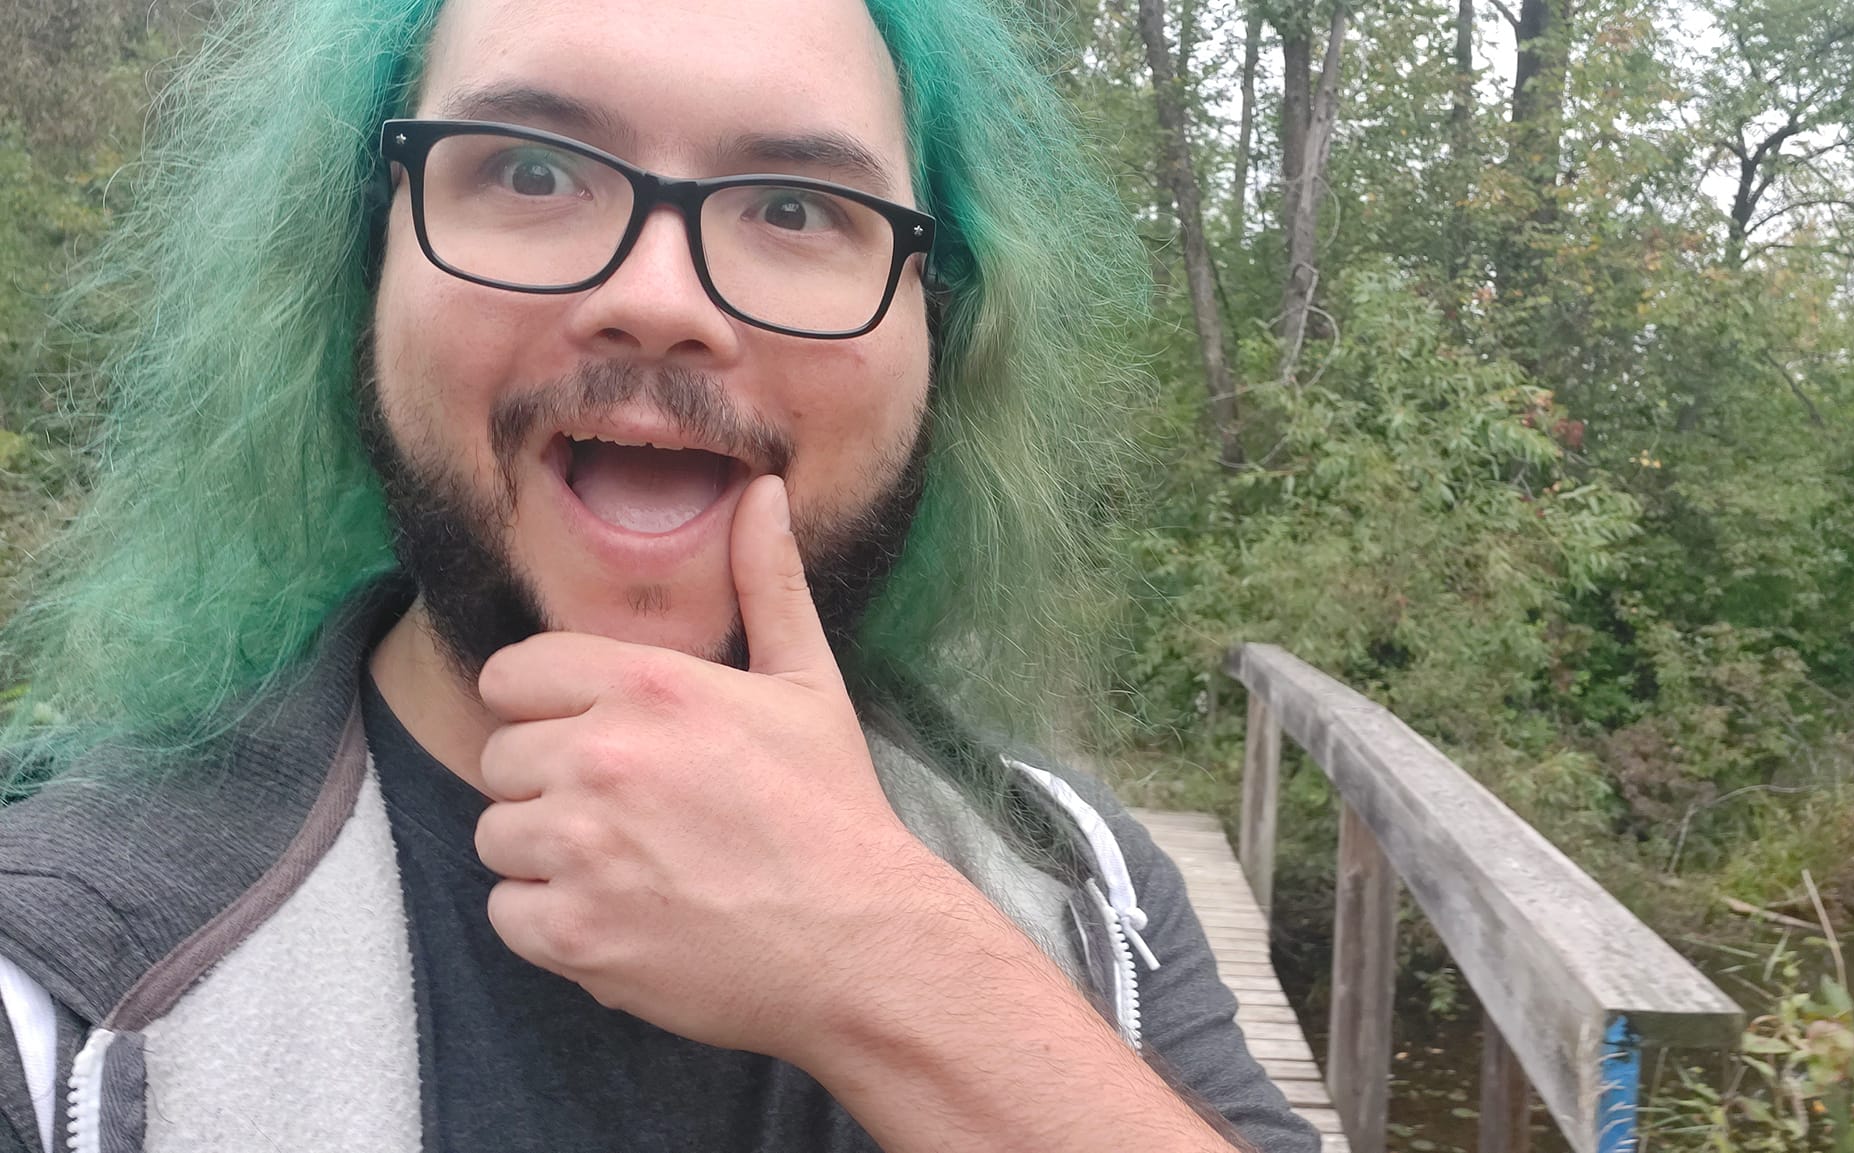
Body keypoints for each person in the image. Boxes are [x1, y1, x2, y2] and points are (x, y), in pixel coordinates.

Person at [0, 0, 1322, 1150]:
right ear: (361, 271)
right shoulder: (53, 983)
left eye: (797, 207)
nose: (659, 294)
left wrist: (894, 964)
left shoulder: (1081, 893)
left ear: (945, 326)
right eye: (526, 171)